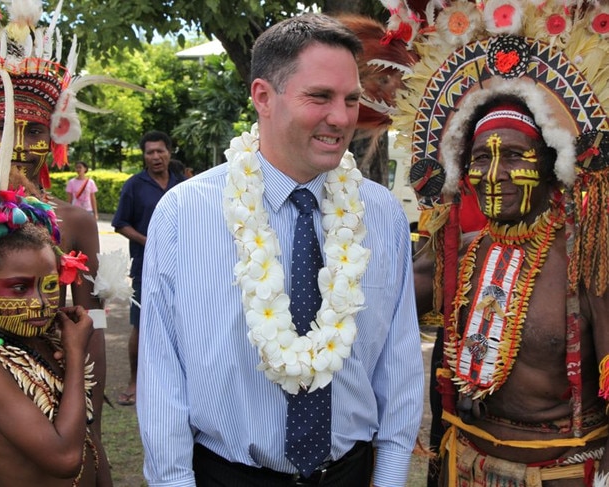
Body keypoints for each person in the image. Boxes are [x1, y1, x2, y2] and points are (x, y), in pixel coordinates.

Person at [136, 13, 424, 487]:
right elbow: (163, 379)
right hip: (228, 476)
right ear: (263, 97)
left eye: (351, 99)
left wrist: (389, 477)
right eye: (320, 96)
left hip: (348, 474)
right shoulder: (184, 214)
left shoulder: (381, 215)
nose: (341, 116)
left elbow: (398, 366)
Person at [386, 0, 609, 483]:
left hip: (562, 474)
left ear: (552, 165)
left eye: (513, 155)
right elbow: (371, 310)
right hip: (464, 464)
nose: (492, 174)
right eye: (480, 159)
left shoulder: (587, 263)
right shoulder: (457, 255)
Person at [0, 1, 145, 482]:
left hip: (50, 381)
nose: (19, 144)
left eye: (36, 129)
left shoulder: (76, 221)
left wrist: (95, 433)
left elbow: (92, 322)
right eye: (4, 127)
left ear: (57, 134)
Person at [0, 177, 111, 486]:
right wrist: (75, 353)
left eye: (50, 285)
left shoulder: (47, 343)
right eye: (19, 288)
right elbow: (66, 459)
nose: (40, 302)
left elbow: (89, 446)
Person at [112, 130, 180, 407]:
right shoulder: (134, 185)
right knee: (141, 325)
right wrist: (149, 241)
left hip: (180, 266)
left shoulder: (182, 183)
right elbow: (120, 223)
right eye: (150, 152)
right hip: (146, 268)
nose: (155, 157)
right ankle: (134, 381)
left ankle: (174, 382)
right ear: (144, 155)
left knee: (180, 324)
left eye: (160, 151)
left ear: (169, 152)